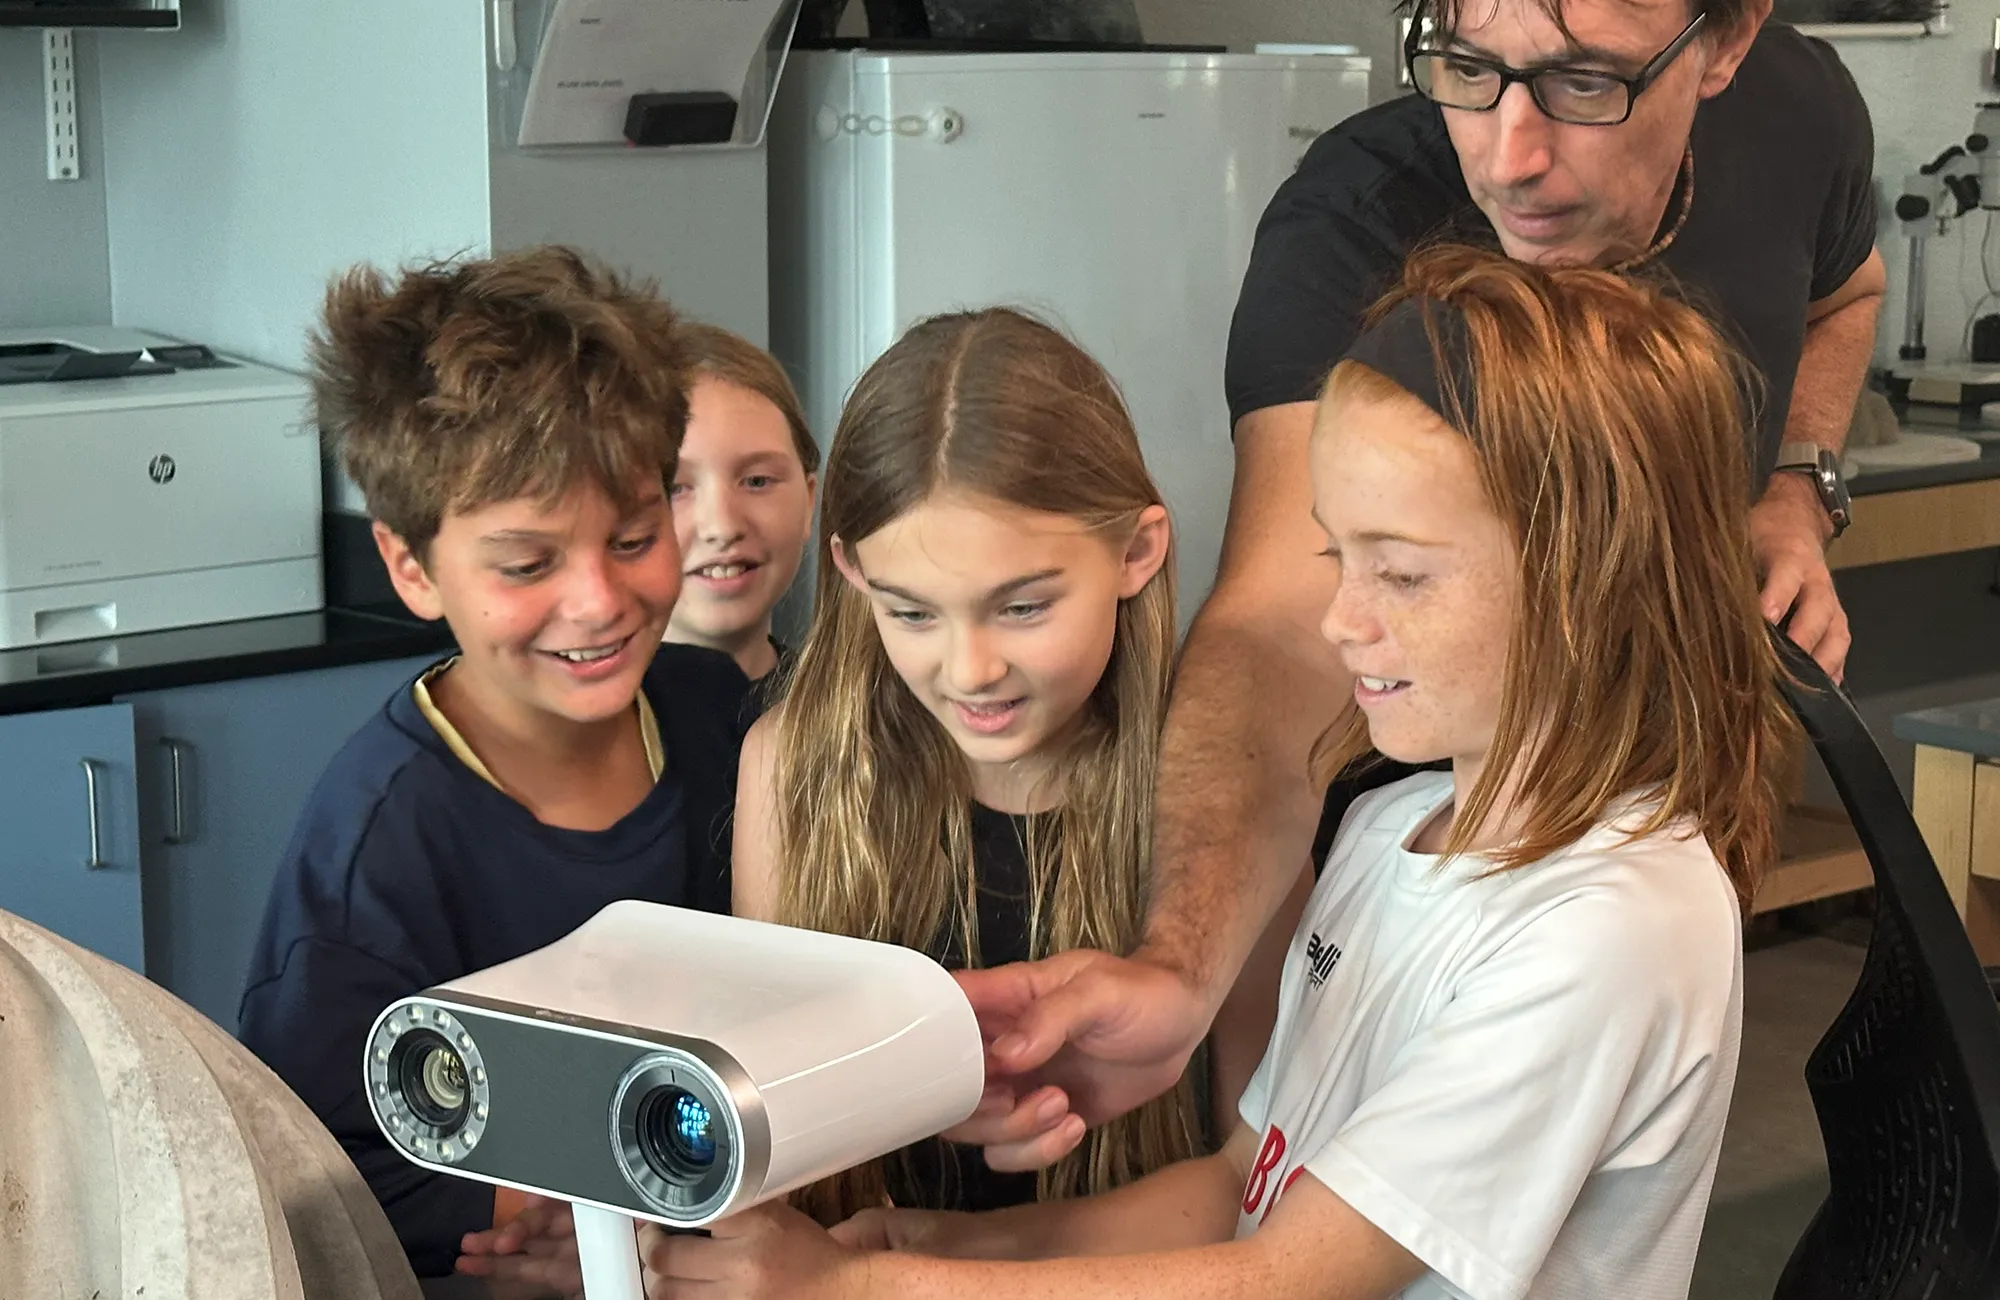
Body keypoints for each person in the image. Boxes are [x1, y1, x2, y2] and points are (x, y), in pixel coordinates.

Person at [636, 243, 1792, 1300]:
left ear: (1586, 575)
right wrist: (912, 1243)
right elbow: (1248, 1183)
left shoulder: (1609, 925)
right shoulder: (1391, 833)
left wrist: (850, 1292)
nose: (1336, 624)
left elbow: (1292, 1276)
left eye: (1400, 576)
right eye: (1336, 557)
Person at [958, 0, 1884, 1173]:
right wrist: (1180, 969)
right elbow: (1280, 625)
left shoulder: (1799, 111)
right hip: (1401, 847)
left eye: (1586, 83)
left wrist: (1792, 481)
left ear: (1726, 40)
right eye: (1464, 67)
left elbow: (1843, 292)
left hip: (1649, 810)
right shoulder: (1355, 225)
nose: (1509, 157)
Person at [236, 246, 750, 1292]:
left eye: (636, 535)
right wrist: (584, 1218)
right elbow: (315, 1176)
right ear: (411, 567)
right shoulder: (375, 852)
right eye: (527, 564)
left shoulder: (727, 719)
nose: (598, 600)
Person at [729, 306, 1208, 1222]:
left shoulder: (1220, 788)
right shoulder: (789, 770)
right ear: (854, 572)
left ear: (1136, 552)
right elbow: (779, 1141)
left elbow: (1259, 1167)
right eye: (913, 613)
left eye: (1024, 607)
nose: (970, 668)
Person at [664, 322, 820, 683]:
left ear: (809, 502)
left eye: (757, 481)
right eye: (675, 488)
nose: (723, 527)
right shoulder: (578, 732)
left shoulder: (855, 721)